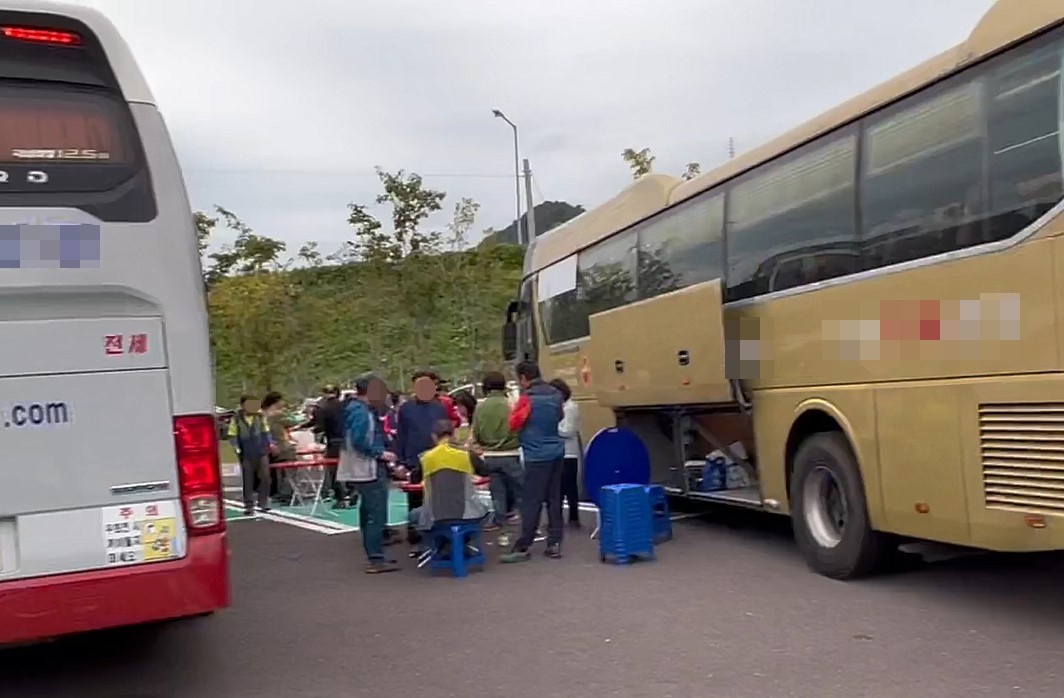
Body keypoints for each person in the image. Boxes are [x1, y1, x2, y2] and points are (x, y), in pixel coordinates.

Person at [500, 361, 565, 563]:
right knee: (554, 500)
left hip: (536, 455)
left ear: (523, 378)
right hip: (556, 452)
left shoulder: (527, 398)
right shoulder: (556, 394)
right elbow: (559, 416)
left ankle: (524, 545)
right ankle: (554, 543)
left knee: (531, 501)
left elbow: (514, 423)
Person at [342, 374, 402, 574]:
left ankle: (375, 554)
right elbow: (360, 440)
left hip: (360, 469)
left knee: (367, 512)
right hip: (369, 468)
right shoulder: (362, 413)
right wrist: (381, 454)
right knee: (375, 513)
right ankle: (376, 557)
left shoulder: (355, 410)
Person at [407, 419, 490, 559]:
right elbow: (485, 471)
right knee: (491, 508)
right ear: (454, 434)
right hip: (467, 513)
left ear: (434, 436)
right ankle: (462, 543)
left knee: (413, 516)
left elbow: (414, 479)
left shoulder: (426, 457)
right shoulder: (467, 455)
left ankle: (438, 545)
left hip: (435, 515)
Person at [396, 372, 450, 548]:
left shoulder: (440, 407)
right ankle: (414, 535)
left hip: (438, 458)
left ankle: (439, 533)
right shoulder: (406, 409)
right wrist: (401, 461)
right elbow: (401, 435)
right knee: (415, 498)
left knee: (438, 497)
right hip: (414, 459)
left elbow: (446, 432)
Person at [471, 371, 523, 541]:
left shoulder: (480, 407)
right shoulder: (511, 404)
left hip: (490, 455)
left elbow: (476, 432)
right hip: (510, 452)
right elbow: (518, 427)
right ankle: (527, 521)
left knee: (497, 490)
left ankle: (499, 520)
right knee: (520, 489)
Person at [228, 394, 274, 516]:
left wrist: (270, 444)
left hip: (261, 449)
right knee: (248, 478)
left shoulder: (260, 416)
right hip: (246, 451)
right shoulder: (236, 419)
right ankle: (249, 505)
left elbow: (266, 431)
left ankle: (263, 502)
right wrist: (236, 447)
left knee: (265, 476)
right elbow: (232, 434)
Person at [549, 378, 581, 528]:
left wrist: (550, 428)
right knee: (559, 488)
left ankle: (573, 517)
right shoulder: (560, 407)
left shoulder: (570, 408)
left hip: (568, 452)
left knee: (569, 488)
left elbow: (568, 430)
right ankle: (558, 518)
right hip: (559, 452)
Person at [314, 384, 351, 508]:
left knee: (335, 471)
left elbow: (320, 427)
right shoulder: (346, 406)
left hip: (333, 442)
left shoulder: (323, 408)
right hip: (348, 440)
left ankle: (341, 497)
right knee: (350, 468)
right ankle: (352, 491)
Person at [262, 391, 296, 505]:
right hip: (284, 445)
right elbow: (293, 422)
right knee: (289, 472)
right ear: (276, 401)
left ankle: (279, 494)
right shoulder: (278, 415)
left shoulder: (263, 415)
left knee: (279, 472)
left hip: (272, 447)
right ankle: (286, 495)